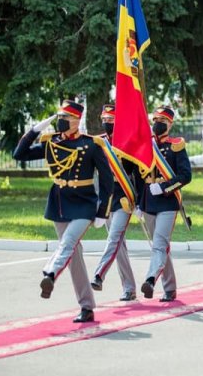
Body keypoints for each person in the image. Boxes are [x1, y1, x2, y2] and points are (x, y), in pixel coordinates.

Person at [13, 100, 112, 323]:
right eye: (59, 117)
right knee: (73, 256)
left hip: (84, 203)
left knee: (67, 244)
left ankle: (50, 273)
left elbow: (107, 181)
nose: (61, 121)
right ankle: (87, 307)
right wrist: (34, 131)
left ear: (76, 121)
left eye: (65, 118)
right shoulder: (52, 143)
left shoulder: (92, 145)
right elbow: (19, 155)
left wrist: (102, 212)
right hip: (59, 203)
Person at [138, 106, 192, 302]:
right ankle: (170, 288)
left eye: (163, 120)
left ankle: (150, 280)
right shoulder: (146, 144)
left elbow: (186, 176)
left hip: (168, 202)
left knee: (159, 245)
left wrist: (164, 187)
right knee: (161, 246)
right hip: (148, 202)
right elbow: (137, 174)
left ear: (170, 124)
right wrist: (137, 202)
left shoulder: (176, 145)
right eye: (155, 120)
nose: (158, 123)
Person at [91, 104, 138, 301]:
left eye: (111, 120)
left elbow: (138, 173)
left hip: (123, 196)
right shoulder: (98, 143)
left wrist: (141, 202)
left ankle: (99, 274)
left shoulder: (128, 143)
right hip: (106, 198)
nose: (107, 123)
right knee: (119, 244)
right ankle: (129, 288)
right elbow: (93, 174)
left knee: (113, 239)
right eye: (105, 120)